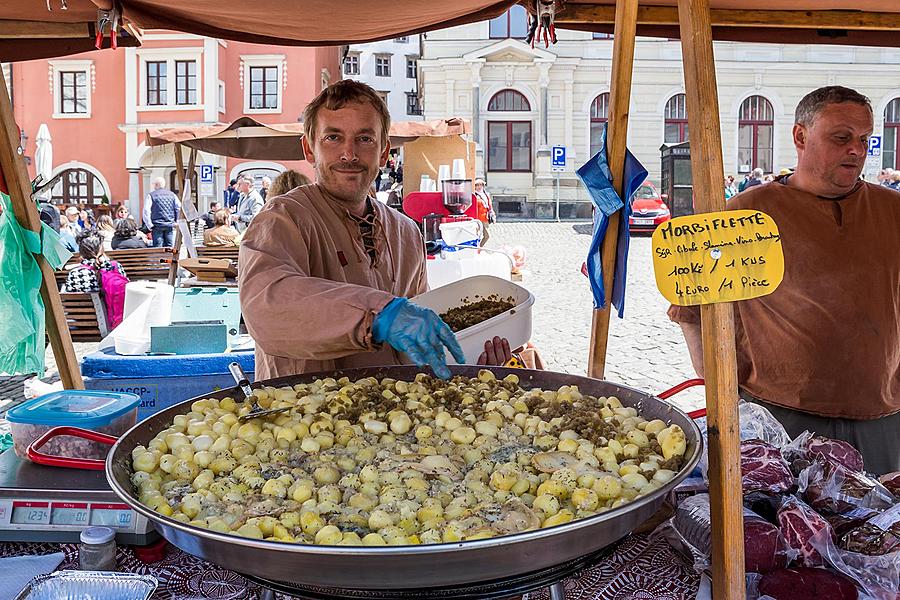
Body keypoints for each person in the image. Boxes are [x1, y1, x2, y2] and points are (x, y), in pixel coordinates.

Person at [668, 85, 900, 475]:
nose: (857, 150)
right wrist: (723, 385)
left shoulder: (894, 211)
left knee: (874, 530)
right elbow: (692, 310)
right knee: (784, 530)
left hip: (882, 420)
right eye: (841, 138)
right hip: (779, 420)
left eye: (864, 139)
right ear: (800, 136)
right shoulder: (747, 213)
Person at [239, 80, 511, 381]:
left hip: (395, 417)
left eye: (364, 139)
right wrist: (379, 314)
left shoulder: (406, 232)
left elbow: (414, 344)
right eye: (333, 137)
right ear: (309, 149)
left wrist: (470, 357)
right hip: (303, 415)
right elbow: (267, 309)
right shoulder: (281, 219)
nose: (349, 154)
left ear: (384, 153)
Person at [142, 177, 181, 247]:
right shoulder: (172, 195)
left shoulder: (151, 195)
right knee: (169, 247)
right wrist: (177, 221)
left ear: (157, 185)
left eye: (153, 184)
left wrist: (149, 225)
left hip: (157, 225)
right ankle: (168, 258)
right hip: (169, 224)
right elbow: (179, 208)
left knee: (158, 247)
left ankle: (159, 258)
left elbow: (146, 211)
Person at [473, 177, 495, 247]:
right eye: (477, 185)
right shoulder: (474, 195)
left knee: (487, 236)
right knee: (475, 236)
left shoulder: (486, 194)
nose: (479, 187)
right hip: (477, 219)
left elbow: (489, 206)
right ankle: (475, 249)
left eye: (481, 185)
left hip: (485, 219)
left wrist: (492, 214)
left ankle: (479, 247)